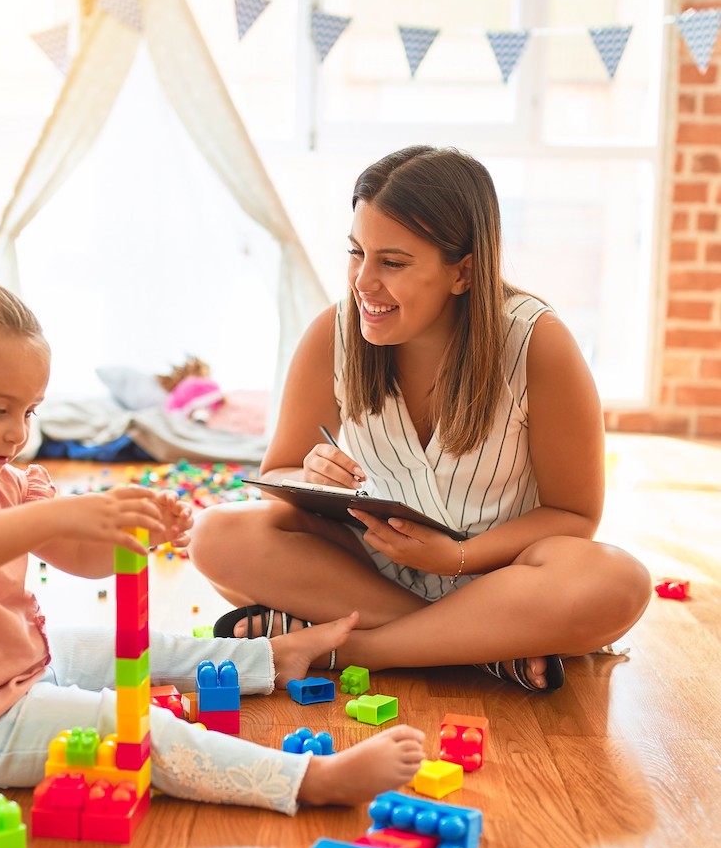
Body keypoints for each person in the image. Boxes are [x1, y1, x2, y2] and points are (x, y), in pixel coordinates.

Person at [0, 277, 425, 815]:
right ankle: (307, 781)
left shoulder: (0, 483)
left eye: (29, 410)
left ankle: (272, 659)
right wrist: (58, 512)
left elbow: (78, 560)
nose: (17, 432)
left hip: (10, 676)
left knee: (108, 645)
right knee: (134, 726)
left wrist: (134, 538)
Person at [189, 145, 652, 692]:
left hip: (508, 583)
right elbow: (280, 478)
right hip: (371, 573)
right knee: (217, 534)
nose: (363, 281)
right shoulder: (331, 334)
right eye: (357, 252)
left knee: (618, 581)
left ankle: (352, 648)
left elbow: (574, 514)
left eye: (392, 262)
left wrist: (460, 556)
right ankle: (483, 649)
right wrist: (309, 474)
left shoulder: (537, 343)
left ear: (463, 271)